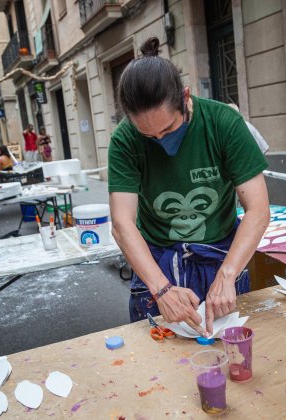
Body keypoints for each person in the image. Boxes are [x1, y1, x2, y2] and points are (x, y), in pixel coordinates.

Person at [109, 37, 270, 337]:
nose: (160, 140)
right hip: (157, 259)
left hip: (219, 253)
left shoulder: (224, 124)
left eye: (168, 129)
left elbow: (258, 210)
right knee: (155, 364)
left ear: (184, 97)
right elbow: (122, 224)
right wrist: (161, 289)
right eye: (148, 135)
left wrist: (228, 273)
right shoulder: (124, 139)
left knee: (229, 355)